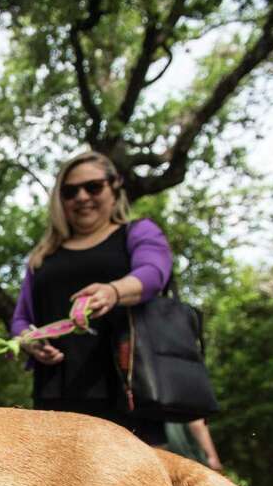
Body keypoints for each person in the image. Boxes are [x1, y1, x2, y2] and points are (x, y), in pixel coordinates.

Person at [10, 150, 173, 446]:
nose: (82, 197)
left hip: (127, 387)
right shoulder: (42, 257)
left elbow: (154, 273)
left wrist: (114, 291)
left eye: (93, 187)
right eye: (70, 192)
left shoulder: (136, 232)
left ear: (115, 187)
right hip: (56, 395)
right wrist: (30, 340)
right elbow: (21, 319)